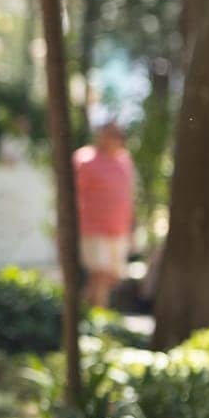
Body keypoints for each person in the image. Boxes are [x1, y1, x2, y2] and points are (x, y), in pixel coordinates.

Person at [73, 120, 136, 309]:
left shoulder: (125, 160)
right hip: (93, 228)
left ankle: (87, 313)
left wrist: (132, 226)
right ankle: (98, 320)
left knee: (111, 277)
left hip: (118, 228)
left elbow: (129, 194)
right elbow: (74, 193)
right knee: (99, 274)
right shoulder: (84, 159)